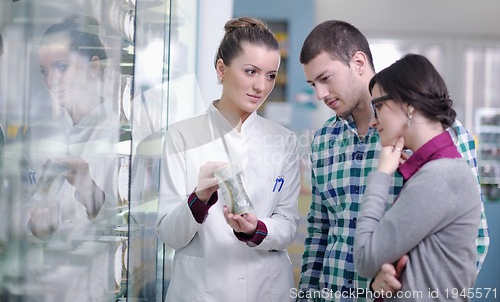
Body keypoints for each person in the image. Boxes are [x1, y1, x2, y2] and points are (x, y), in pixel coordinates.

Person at [297, 20, 488, 301]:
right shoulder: (324, 139)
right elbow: (319, 232)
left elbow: (474, 242)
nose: (319, 94)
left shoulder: (441, 135)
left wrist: (409, 282)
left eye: (326, 78)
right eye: (313, 84)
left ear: (359, 62)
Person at [156, 17, 301, 302]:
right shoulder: (182, 136)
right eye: (251, 71)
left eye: (271, 75)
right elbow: (169, 234)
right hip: (202, 290)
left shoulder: (284, 141)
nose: (261, 86)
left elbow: (288, 225)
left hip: (267, 289)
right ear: (222, 69)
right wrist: (198, 199)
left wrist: (256, 229)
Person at [354, 53, 481, 301]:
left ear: (408, 104)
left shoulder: (439, 176)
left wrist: (381, 175)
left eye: (378, 106)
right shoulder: (436, 170)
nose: (373, 121)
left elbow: (364, 259)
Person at [19, 14, 122, 301]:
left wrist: (88, 188)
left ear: (93, 67)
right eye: (44, 70)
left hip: (97, 285)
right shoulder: (37, 134)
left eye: (61, 67)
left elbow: (134, 225)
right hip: (44, 284)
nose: (51, 80)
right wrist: (38, 226)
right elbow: (20, 217)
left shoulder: (122, 135)